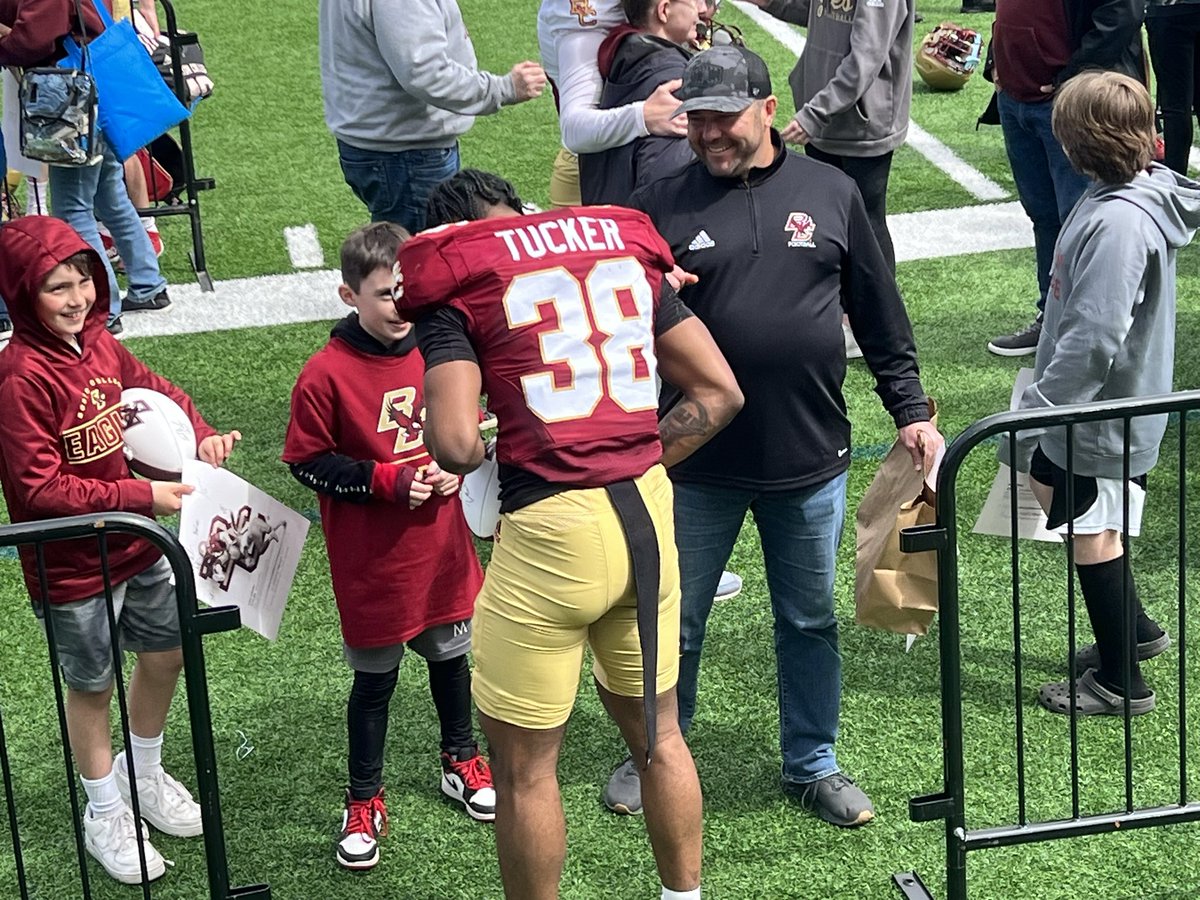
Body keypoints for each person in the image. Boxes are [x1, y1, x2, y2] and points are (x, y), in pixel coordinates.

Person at [614, 45, 944, 829]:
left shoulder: (831, 191)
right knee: (676, 619)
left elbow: (879, 310)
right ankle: (655, 752)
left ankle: (813, 761)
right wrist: (646, 293)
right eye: (696, 120)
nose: (708, 135)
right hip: (697, 464)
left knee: (808, 620)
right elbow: (618, 326)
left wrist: (910, 409)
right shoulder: (656, 204)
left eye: (723, 118)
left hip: (809, 457)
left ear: (767, 110)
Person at [399, 168, 744, 900]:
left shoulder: (458, 276)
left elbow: (456, 445)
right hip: (646, 511)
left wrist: (488, 434)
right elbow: (720, 392)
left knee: (525, 772)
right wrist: (627, 454)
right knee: (661, 737)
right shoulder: (613, 248)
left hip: (551, 532)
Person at [0, 216, 240, 884]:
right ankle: (104, 810)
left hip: (137, 546)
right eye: (56, 287)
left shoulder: (100, 343)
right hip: (73, 565)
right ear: (23, 293)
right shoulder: (18, 378)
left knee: (166, 654)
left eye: (82, 280)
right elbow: (38, 488)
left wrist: (200, 432)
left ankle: (143, 772)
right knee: (92, 684)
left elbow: (158, 394)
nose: (77, 298)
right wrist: (141, 496)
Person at [282, 222, 494, 870]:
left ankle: (461, 760)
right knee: (374, 685)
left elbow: (473, 425)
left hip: (443, 551)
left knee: (452, 664)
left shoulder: (442, 349)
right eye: (383, 295)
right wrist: (387, 481)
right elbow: (306, 461)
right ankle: (364, 798)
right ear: (348, 295)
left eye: (405, 291)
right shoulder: (324, 374)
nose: (400, 306)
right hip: (374, 564)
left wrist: (457, 467)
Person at [1001, 71, 1200, 715]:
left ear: (1075, 141)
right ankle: (1134, 630)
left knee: (1092, 528)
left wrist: (1036, 415)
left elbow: (1093, 340)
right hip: (1102, 407)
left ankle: (1119, 682)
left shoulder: (1119, 224)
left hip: (1099, 414)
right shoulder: (1122, 194)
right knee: (1079, 505)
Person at [0, 0, 175, 336]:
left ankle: (104, 308)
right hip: (100, 92)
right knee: (111, 198)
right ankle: (148, 284)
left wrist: (5, 47)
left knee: (73, 209)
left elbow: (35, 37)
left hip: (73, 99)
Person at [983, 0, 1145, 357]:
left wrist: (1073, 77)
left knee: (1086, 220)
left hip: (1072, 100)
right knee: (1044, 215)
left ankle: (1092, 330)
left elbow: (1122, 13)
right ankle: (1053, 319)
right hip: (1018, 94)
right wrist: (998, 59)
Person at [317, 0, 546, 233]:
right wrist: (503, 89)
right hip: (406, 153)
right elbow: (425, 72)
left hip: (383, 144)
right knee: (421, 251)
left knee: (400, 242)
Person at [537, 0, 687, 207]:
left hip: (645, 159)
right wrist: (642, 116)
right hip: (592, 174)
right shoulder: (587, 20)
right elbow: (574, 129)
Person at [578, 0, 703, 205]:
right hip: (645, 219)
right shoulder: (673, 82)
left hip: (606, 211)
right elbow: (668, 179)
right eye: (694, 1)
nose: (701, 10)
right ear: (664, 11)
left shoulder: (622, 53)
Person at [1147, 0, 1200, 177]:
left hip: (1167, 11)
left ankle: (1175, 181)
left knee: (1175, 108)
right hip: (1170, 12)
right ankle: (1175, 178)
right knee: (1176, 110)